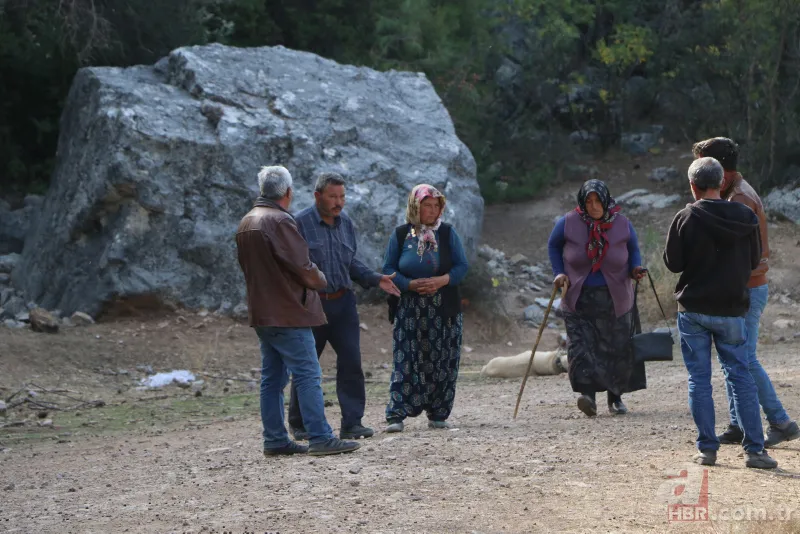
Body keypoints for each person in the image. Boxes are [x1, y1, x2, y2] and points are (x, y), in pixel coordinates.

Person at [235, 165, 360, 457]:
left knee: (272, 379)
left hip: (262, 312)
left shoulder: (247, 221)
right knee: (307, 374)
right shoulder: (280, 221)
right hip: (289, 311)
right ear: (288, 192)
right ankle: (320, 436)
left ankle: (275, 439)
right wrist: (320, 279)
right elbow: (303, 266)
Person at [663, 156, 777, 469]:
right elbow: (753, 260)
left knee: (699, 380)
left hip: (694, 309)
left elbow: (673, 263)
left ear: (693, 186)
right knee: (741, 377)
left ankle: (707, 450)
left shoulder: (686, 217)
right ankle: (755, 451)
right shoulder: (745, 216)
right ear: (721, 182)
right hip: (732, 309)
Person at [692, 137, 800, 448]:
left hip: (748, 287)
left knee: (745, 360)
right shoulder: (735, 193)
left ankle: (781, 421)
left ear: (719, 172)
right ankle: (738, 424)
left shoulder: (739, 199)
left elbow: (730, 252)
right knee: (735, 358)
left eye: (704, 168)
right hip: (747, 285)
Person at [287, 172, 401, 441]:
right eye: (333, 197)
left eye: (342, 197)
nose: (339, 202)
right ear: (317, 196)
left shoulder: (346, 223)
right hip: (312, 305)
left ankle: (352, 423)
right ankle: (300, 424)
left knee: (351, 362)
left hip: (344, 303)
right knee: (307, 365)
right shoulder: (299, 223)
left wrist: (376, 278)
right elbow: (292, 267)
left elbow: (350, 263)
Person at [548, 179, 647, 417]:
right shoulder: (568, 222)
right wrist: (559, 272)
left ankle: (616, 397)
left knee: (617, 347)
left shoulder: (622, 223)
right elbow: (553, 246)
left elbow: (633, 249)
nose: (593, 206)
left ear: (606, 200)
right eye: (589, 201)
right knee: (581, 347)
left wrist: (635, 268)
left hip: (615, 296)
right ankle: (588, 396)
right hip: (578, 297)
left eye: (597, 201)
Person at [381, 184, 469, 433]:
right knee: (406, 360)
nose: (432, 211)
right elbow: (388, 268)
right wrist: (408, 284)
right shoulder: (401, 234)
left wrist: (442, 281)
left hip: (444, 309)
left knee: (444, 361)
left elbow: (462, 266)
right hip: (410, 308)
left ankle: (439, 413)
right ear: (414, 207)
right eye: (426, 206)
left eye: (436, 206)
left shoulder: (447, 233)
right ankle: (396, 414)